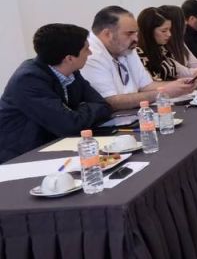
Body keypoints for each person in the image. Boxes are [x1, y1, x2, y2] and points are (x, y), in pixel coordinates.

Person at [0, 24, 113, 163]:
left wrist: (75, 114)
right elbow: (69, 126)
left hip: (55, 147)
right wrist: (76, 114)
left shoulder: (72, 71)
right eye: (86, 49)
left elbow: (103, 105)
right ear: (69, 58)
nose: (90, 53)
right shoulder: (28, 80)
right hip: (21, 158)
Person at [81, 6, 193, 111]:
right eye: (129, 33)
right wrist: (163, 93)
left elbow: (146, 85)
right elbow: (111, 101)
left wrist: (178, 86)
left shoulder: (125, 47)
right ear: (107, 34)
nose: (136, 39)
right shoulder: (90, 55)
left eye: (136, 33)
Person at [137, 8, 197, 82]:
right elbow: (148, 85)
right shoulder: (139, 54)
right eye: (164, 31)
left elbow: (180, 71)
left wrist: (195, 73)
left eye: (169, 29)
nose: (169, 34)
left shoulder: (162, 49)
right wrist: (179, 83)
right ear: (149, 32)